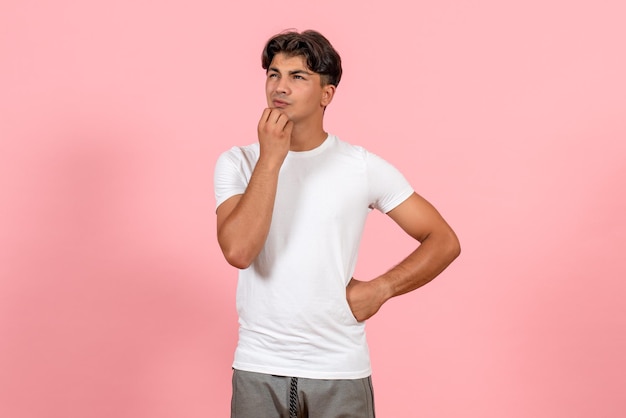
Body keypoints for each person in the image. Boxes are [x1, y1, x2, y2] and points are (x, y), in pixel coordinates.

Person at [214, 29, 460, 418]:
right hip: (260, 364)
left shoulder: (361, 167)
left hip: (339, 368)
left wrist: (382, 288)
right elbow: (239, 251)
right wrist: (272, 158)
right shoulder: (239, 163)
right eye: (274, 74)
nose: (280, 86)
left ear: (326, 94)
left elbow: (443, 240)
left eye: (298, 77)